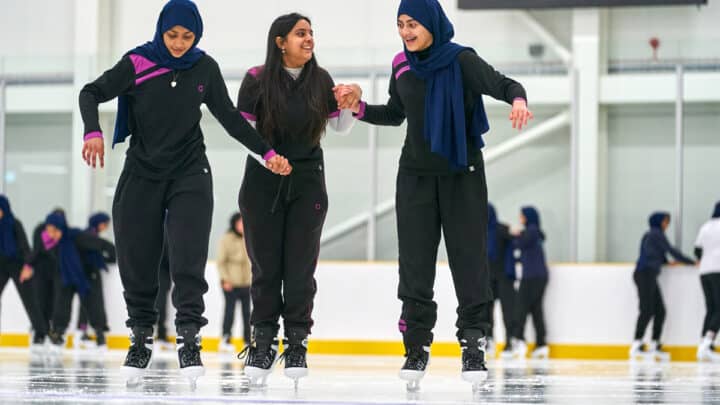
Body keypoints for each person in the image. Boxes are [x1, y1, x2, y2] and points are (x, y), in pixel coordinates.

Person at [77, 0, 291, 386]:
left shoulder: (203, 67)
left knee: (188, 255)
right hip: (142, 173)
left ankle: (189, 338)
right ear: (161, 30)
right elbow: (91, 93)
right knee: (137, 256)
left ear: (197, 36)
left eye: (187, 37)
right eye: (172, 35)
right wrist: (93, 130)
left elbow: (229, 117)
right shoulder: (138, 62)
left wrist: (267, 153)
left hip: (190, 172)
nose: (178, 43)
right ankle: (141, 337)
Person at [335, 0, 532, 390]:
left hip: (462, 174)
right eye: (400, 24)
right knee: (414, 264)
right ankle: (415, 347)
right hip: (415, 177)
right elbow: (395, 112)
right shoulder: (401, 65)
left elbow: (504, 85)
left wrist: (519, 101)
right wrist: (357, 108)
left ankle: (473, 344)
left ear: (432, 24)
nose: (406, 32)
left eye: (413, 24)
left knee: (469, 260)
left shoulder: (461, 61)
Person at [235, 12, 356, 387]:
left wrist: (351, 102)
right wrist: (270, 159)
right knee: (266, 268)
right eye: (300, 33)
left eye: (311, 33)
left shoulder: (321, 81)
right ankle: (263, 343)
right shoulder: (255, 80)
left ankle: (297, 342)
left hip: (307, 183)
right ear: (279, 41)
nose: (309, 39)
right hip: (262, 181)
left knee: (300, 269)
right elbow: (245, 131)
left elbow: (340, 127)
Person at [44, 213, 115, 353]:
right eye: (49, 231)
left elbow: (104, 245)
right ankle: (58, 335)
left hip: (87, 276)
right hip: (67, 277)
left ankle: (100, 337)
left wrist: (108, 260)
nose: (51, 234)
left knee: (94, 305)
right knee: (61, 304)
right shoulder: (56, 243)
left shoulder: (77, 236)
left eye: (54, 230)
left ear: (61, 227)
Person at [629, 212, 695, 362]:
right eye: (666, 221)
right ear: (658, 222)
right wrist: (690, 262)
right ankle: (637, 344)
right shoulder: (656, 234)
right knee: (647, 310)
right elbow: (670, 250)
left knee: (660, 310)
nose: (667, 224)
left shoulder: (651, 235)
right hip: (645, 274)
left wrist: (665, 262)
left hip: (648, 275)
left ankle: (654, 344)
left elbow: (654, 253)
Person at [0, 195, 48, 350]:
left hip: (18, 266)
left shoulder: (15, 224)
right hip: (1, 266)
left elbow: (25, 247)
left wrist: (27, 266)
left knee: (29, 300)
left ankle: (40, 334)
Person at [508, 207, 549, 360]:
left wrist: (513, 235)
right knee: (536, 309)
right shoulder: (535, 232)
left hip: (532, 277)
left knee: (521, 307)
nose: (520, 217)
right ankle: (541, 344)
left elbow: (518, 244)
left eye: (522, 215)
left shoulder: (531, 231)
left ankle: (519, 341)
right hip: (539, 276)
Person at [74, 213, 115, 349]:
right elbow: (90, 255)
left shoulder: (92, 235)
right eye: (105, 223)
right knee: (91, 304)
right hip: (88, 275)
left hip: (91, 275)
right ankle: (88, 333)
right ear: (98, 223)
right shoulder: (88, 236)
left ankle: (89, 332)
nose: (106, 227)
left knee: (91, 304)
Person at [28, 208, 65, 342]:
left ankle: (51, 331)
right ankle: (39, 332)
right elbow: (37, 250)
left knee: (54, 303)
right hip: (41, 272)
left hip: (56, 273)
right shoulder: (40, 230)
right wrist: (28, 265)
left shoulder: (62, 234)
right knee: (40, 301)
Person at [217, 213, 251, 352]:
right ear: (234, 223)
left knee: (247, 313)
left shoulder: (249, 238)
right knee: (229, 311)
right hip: (230, 283)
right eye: (240, 223)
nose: (242, 225)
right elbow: (221, 262)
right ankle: (226, 338)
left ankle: (247, 340)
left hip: (247, 284)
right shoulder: (226, 239)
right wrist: (225, 279)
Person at [486, 203, 516, 358]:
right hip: (488, 279)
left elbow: (516, 240)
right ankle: (489, 340)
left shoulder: (501, 229)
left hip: (504, 278)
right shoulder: (480, 232)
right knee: (487, 311)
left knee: (508, 311)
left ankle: (510, 342)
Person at [696, 201, 720, 361]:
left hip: (704, 271)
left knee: (711, 308)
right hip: (718, 270)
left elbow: (697, 250)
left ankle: (704, 345)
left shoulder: (705, 226)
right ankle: (707, 343)